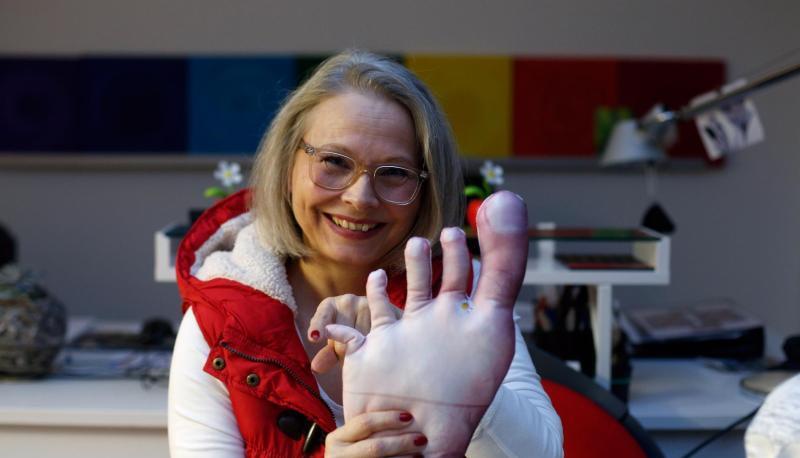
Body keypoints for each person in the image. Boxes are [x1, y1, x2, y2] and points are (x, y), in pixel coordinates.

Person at [168, 50, 563, 457]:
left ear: (426, 190)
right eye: (334, 162)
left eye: (394, 173)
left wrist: (458, 374)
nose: (359, 197)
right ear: (287, 167)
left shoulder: (462, 296)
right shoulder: (221, 319)